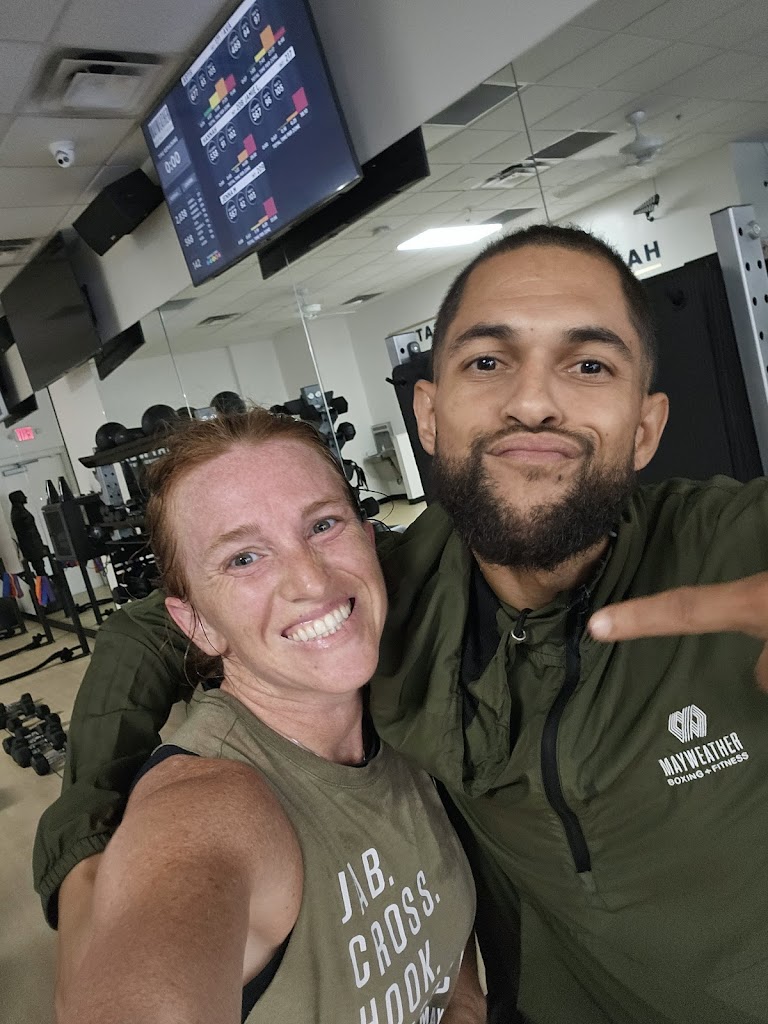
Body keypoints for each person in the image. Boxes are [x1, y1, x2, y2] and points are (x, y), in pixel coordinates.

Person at [35, 223, 768, 1024]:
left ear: (646, 426)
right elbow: (148, 629)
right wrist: (85, 859)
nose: (533, 403)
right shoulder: (392, 590)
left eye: (589, 364)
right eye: (487, 362)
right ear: (429, 415)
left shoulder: (731, 551)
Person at [54, 410, 480, 1024]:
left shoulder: (404, 721)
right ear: (199, 625)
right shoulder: (210, 806)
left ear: (369, 538)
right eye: (244, 558)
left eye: (323, 525)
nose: (310, 580)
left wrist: (464, 1001)